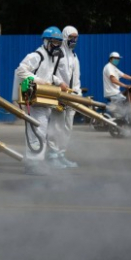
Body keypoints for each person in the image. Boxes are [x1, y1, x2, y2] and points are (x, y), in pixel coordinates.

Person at [16, 26, 68, 176]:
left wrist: (59, 82)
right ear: (46, 41)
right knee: (35, 131)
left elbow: (49, 75)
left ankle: (36, 161)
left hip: (44, 99)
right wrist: (38, 81)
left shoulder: (51, 58)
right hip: (33, 99)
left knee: (42, 131)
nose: (57, 46)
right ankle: (33, 164)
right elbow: (21, 70)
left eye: (59, 43)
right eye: (54, 42)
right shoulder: (37, 55)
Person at [46, 26, 80, 168]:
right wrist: (59, 83)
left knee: (67, 127)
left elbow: (77, 78)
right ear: (65, 36)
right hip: (59, 95)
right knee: (56, 126)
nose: (74, 40)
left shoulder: (74, 56)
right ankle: (52, 155)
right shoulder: (57, 53)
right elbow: (48, 72)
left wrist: (78, 94)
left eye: (76, 37)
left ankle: (61, 154)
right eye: (71, 37)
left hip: (72, 96)